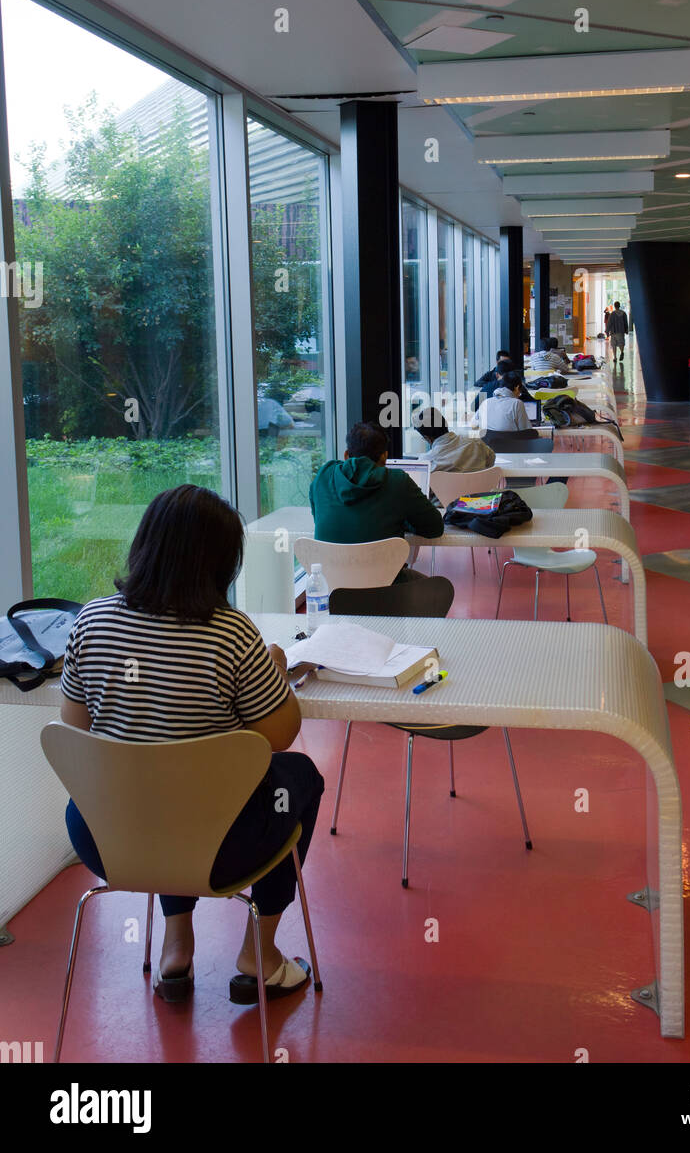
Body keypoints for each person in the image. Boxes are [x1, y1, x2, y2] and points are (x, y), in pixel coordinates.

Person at [60, 485, 325, 1005]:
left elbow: (73, 728)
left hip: (106, 838)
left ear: (145, 546)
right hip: (222, 847)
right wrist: (273, 672)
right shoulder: (231, 635)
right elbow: (278, 735)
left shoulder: (90, 621)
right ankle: (259, 952)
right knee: (301, 778)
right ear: (220, 564)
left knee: (158, 783)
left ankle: (175, 947)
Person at [309, 420, 444, 579]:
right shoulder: (398, 481)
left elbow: (317, 515)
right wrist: (402, 519)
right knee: (438, 587)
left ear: (346, 455)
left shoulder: (323, 476)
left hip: (333, 591)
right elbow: (435, 528)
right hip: (386, 590)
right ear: (384, 456)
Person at [413, 406, 495, 473]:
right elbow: (491, 460)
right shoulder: (475, 442)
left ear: (428, 438)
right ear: (446, 424)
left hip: (445, 493)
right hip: (480, 491)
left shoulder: (427, 462)